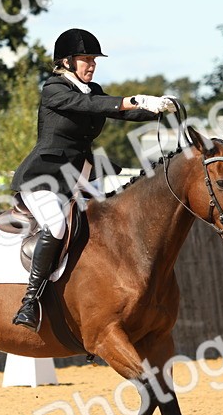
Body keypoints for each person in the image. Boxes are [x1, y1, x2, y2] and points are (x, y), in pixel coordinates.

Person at [9, 28, 175, 330]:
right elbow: (93, 106)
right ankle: (30, 302)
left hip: (80, 176)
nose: (92, 65)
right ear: (67, 62)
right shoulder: (54, 89)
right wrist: (134, 99)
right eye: (86, 59)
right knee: (57, 225)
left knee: (107, 224)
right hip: (44, 177)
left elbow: (120, 113)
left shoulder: (92, 89)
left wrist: (158, 109)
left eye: (94, 60)